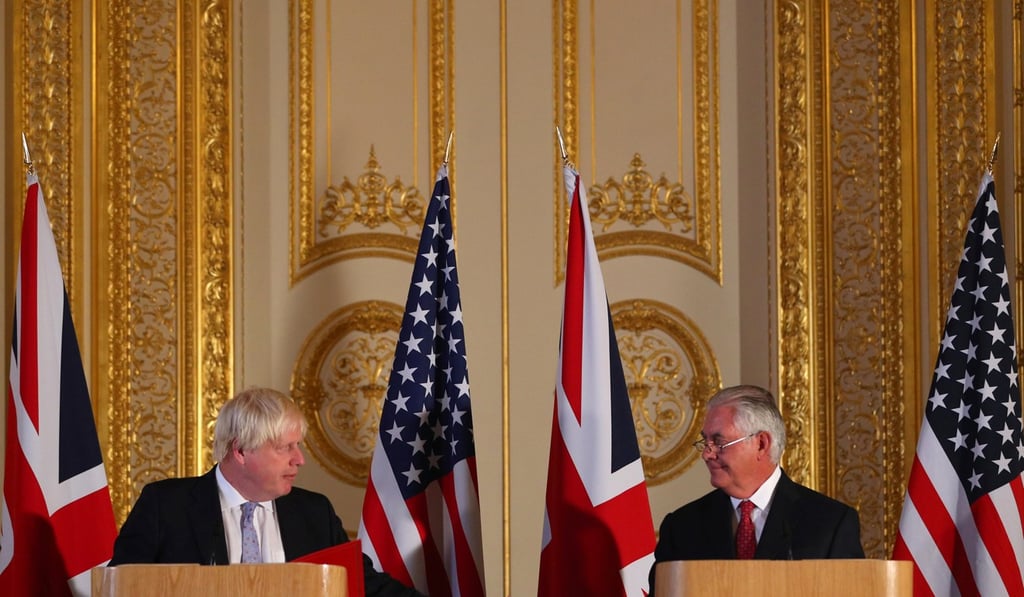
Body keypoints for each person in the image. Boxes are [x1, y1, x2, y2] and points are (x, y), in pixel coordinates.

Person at [109, 386, 424, 597]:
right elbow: (121, 587)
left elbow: (365, 587)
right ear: (242, 451)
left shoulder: (314, 512)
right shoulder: (166, 506)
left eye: (297, 446)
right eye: (285, 448)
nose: (299, 459)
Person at [650, 385, 864, 592]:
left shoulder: (830, 523)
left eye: (719, 442)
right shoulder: (682, 527)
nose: (707, 454)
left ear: (761, 443)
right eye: (705, 441)